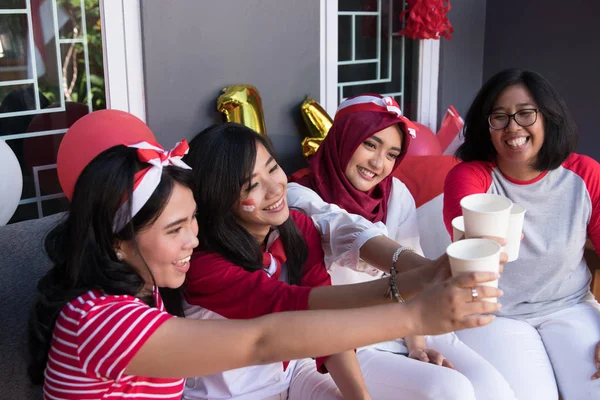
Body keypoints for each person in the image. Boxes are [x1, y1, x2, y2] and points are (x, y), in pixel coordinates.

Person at [28, 110, 501, 400]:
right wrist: (414, 310)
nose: (193, 239)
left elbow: (335, 226)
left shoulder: (141, 290)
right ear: (117, 241)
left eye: (192, 221)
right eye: (175, 228)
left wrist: (429, 272)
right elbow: (265, 337)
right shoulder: (102, 320)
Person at [288, 94, 515, 400]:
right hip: (349, 340)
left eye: (392, 154)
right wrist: (436, 270)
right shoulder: (296, 195)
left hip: (409, 320)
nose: (379, 163)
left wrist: (417, 345)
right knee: (451, 390)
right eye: (370, 144)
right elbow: (349, 231)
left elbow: (411, 283)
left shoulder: (396, 192)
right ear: (343, 136)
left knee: (495, 390)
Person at [443, 68, 600, 400]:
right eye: (498, 117)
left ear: (548, 117)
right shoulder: (471, 177)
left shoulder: (585, 174)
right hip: (497, 313)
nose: (513, 126)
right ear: (487, 128)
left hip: (570, 305)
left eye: (525, 113)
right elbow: (471, 248)